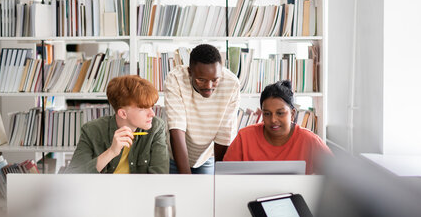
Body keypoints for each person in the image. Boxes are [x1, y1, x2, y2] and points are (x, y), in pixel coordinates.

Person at [223, 80, 331, 174]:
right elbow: (225, 176)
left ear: (292, 114)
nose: (273, 120)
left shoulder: (310, 141)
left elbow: (337, 180)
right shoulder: (244, 137)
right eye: (267, 114)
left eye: (280, 113)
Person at [67, 75, 168, 174]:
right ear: (123, 113)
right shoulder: (92, 130)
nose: (152, 114)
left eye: (151, 107)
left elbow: (160, 177)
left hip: (141, 190)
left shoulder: (156, 128)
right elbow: (73, 175)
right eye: (142, 109)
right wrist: (111, 152)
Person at [164, 44, 240, 174]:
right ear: (190, 72)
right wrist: (186, 177)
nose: (209, 86)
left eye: (215, 80)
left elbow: (224, 135)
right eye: (201, 80)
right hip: (175, 155)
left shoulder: (231, 83)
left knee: (208, 192)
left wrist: (219, 177)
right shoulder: (175, 79)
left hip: (206, 156)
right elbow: (177, 129)